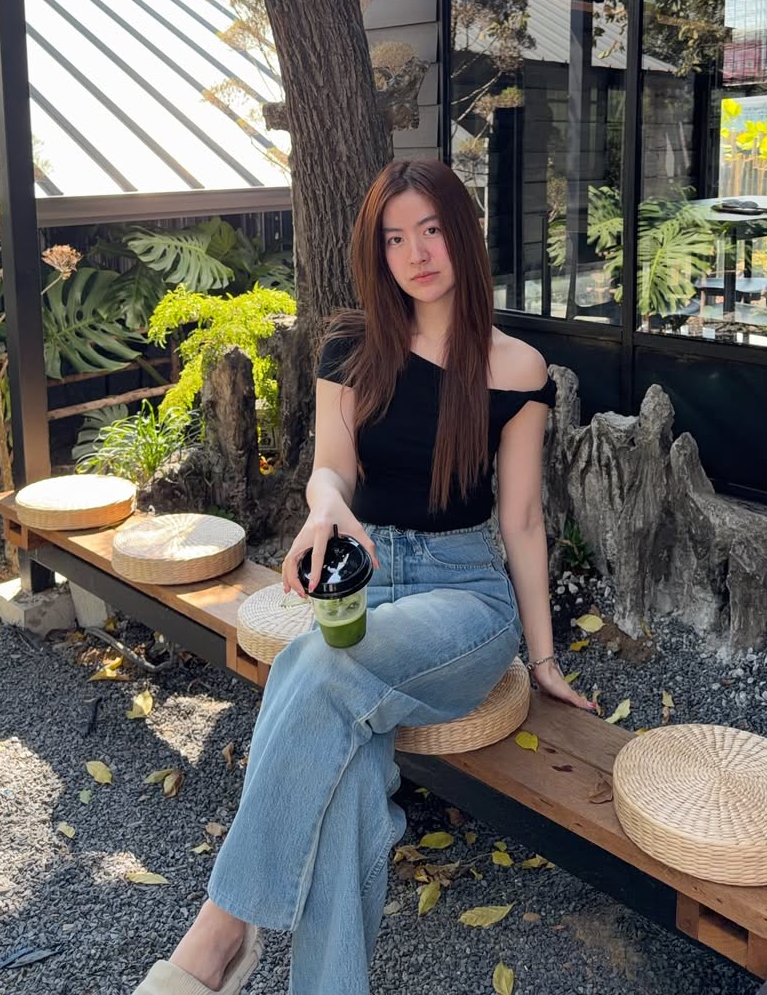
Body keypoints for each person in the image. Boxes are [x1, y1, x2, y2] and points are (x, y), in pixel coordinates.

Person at [134, 158, 594, 995]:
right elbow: (332, 469)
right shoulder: (351, 346)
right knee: (344, 788)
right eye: (395, 238)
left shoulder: (517, 369)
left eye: (432, 230)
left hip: (464, 596)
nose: (417, 253)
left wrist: (544, 660)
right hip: (367, 579)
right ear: (376, 253)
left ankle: (219, 933)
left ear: (463, 235)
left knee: (317, 664)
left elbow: (523, 521)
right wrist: (322, 509)